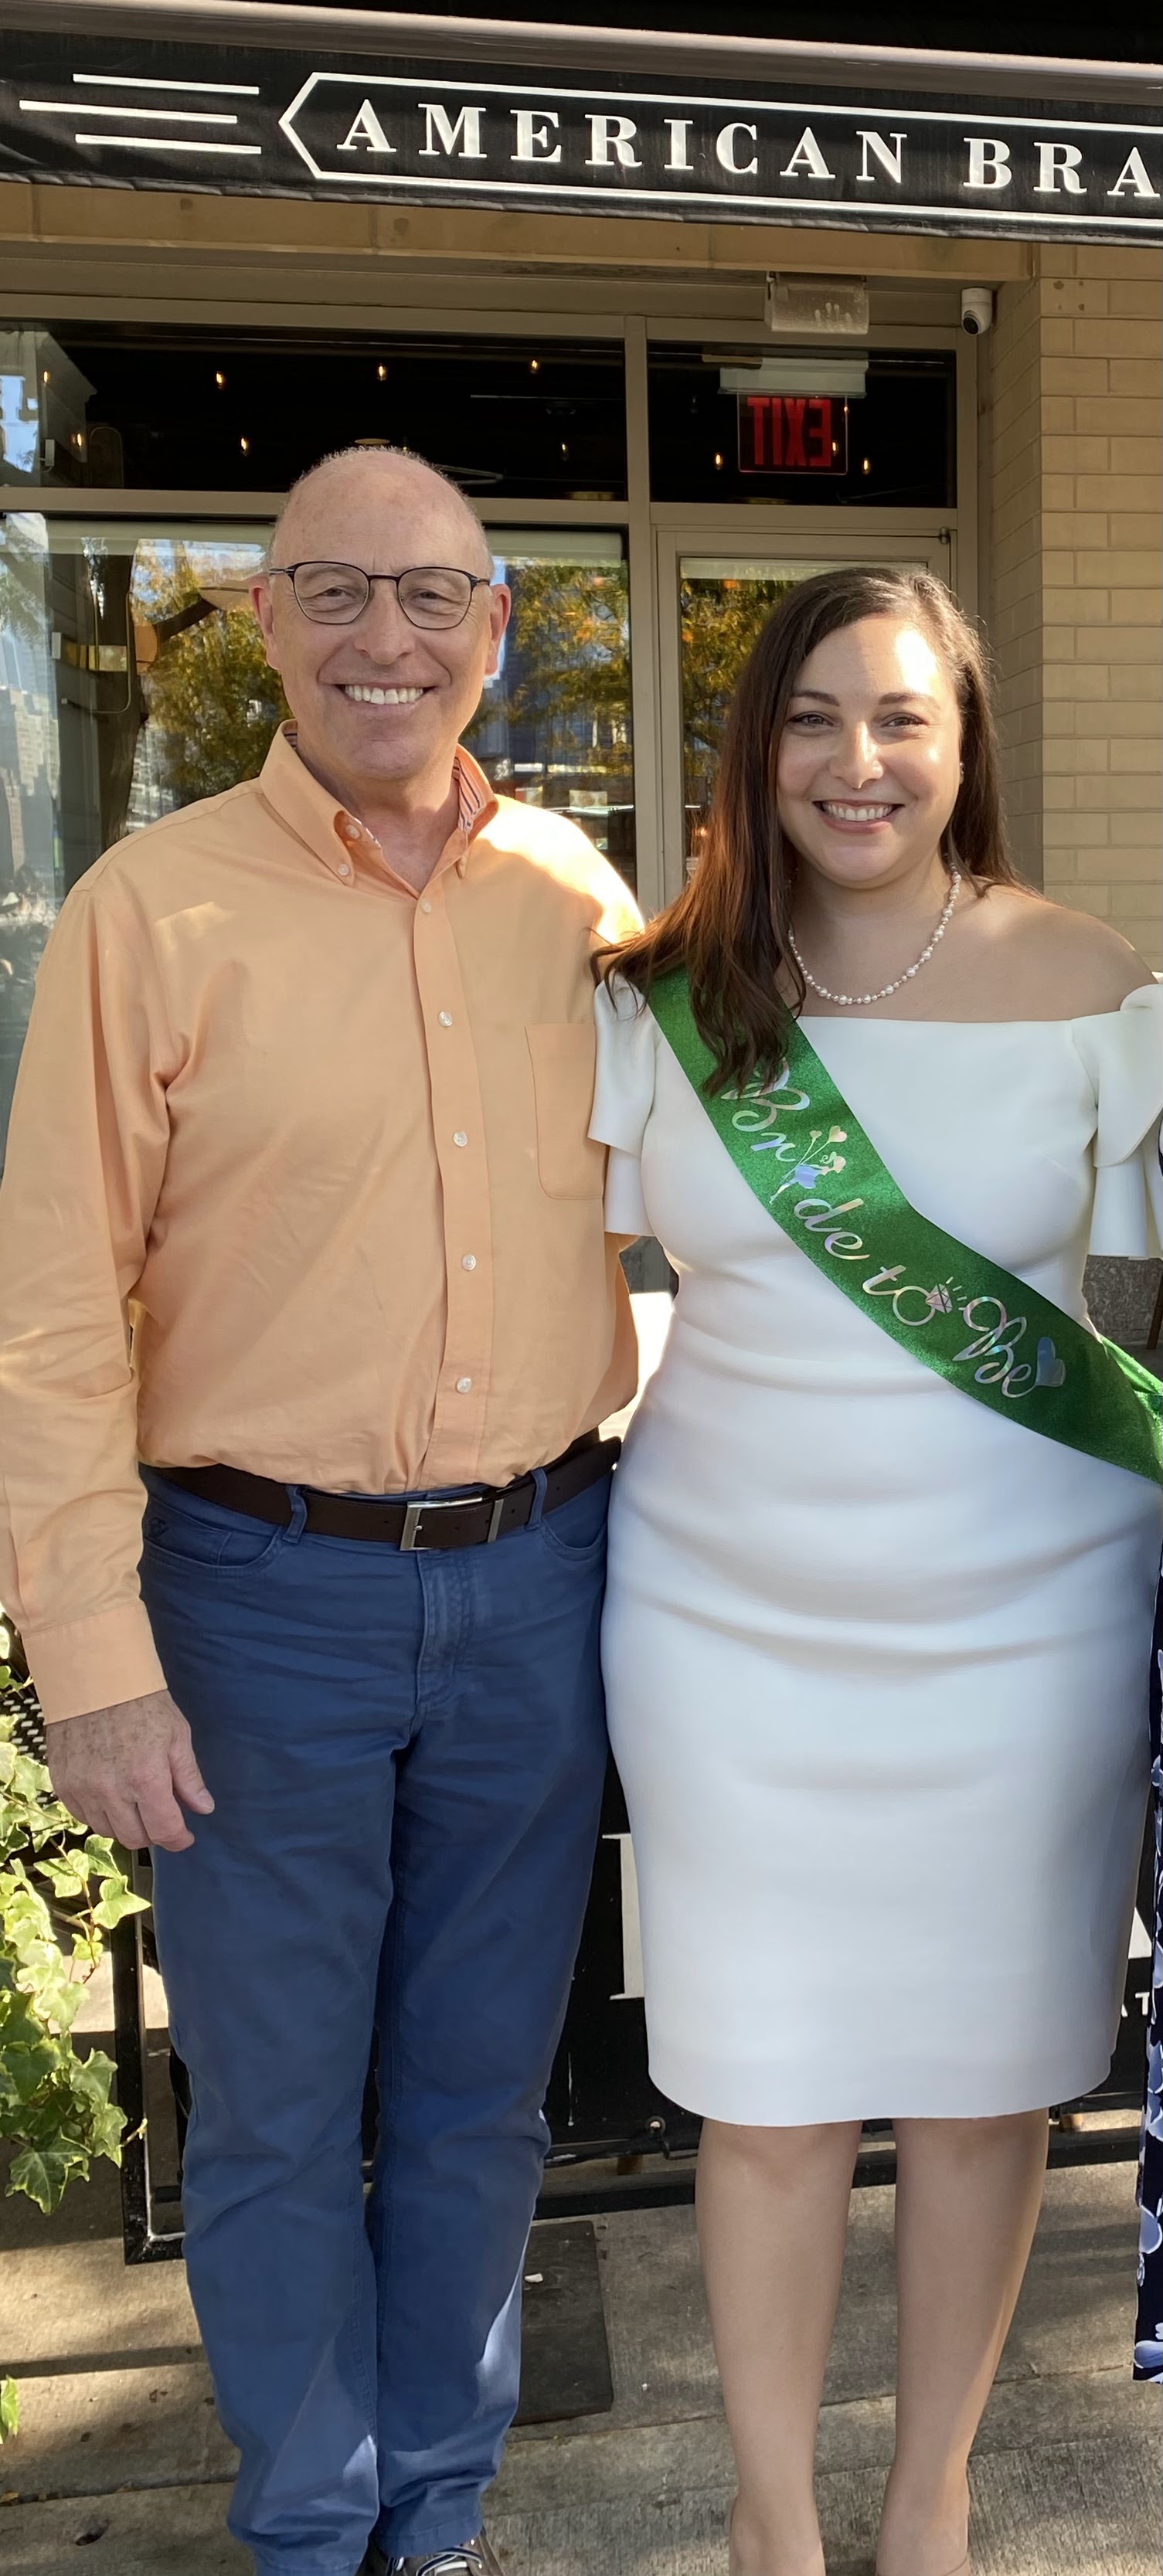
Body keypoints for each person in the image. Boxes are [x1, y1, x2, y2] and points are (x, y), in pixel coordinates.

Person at [0, 444, 640, 2576]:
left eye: (433, 595)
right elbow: (49, 1315)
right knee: (274, 2115)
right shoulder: (148, 910)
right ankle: (308, 2532)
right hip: (256, 1595)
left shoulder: (583, 904)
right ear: (264, 619)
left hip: (541, 1580)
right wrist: (91, 1661)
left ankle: (436, 2521)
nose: (389, 638)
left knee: (480, 2101)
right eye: (336, 592)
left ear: (496, 631)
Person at [589, 566, 1162, 2576]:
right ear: (758, 747)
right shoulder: (657, 996)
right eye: (815, 717)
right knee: (763, 2095)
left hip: (1028, 1628)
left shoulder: (1095, 984)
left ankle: (931, 2503)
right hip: (726, 1621)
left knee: (979, 2089)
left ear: (962, 744)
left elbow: (1131, 1329)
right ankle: (771, 2524)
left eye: (903, 716)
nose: (859, 761)